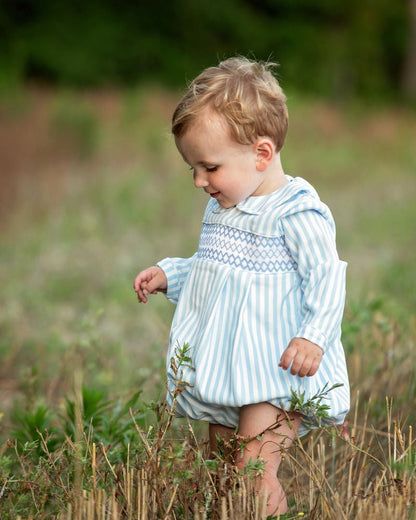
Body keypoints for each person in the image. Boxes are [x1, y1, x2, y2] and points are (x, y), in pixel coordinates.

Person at [133, 56, 349, 516]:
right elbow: (219, 268)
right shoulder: (227, 204)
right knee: (225, 462)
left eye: (209, 167)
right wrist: (172, 273)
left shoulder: (298, 212)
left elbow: (327, 277)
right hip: (231, 366)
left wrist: (314, 336)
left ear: (262, 154)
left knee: (253, 469)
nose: (199, 181)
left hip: (277, 368)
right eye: (192, 168)